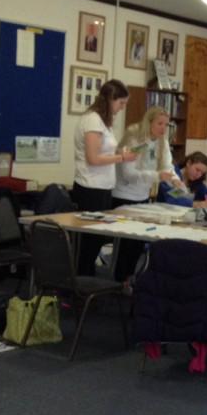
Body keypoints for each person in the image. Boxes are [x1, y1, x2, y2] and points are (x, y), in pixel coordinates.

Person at [72, 79, 136, 276]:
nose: (122, 108)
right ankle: (81, 279)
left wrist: (121, 151)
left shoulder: (103, 122)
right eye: (120, 103)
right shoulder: (93, 120)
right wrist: (122, 157)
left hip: (102, 188)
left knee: (96, 240)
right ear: (110, 99)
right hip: (90, 188)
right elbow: (93, 158)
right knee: (89, 241)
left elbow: (104, 151)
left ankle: (86, 276)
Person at [111, 106, 182, 281]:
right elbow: (129, 173)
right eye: (159, 123)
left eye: (166, 124)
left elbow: (167, 165)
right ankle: (120, 279)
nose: (163, 128)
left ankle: (128, 279)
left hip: (142, 197)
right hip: (124, 195)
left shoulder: (161, 141)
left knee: (138, 242)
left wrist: (175, 179)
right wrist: (157, 176)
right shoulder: (135, 140)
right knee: (127, 243)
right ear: (148, 122)